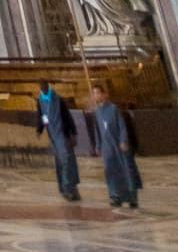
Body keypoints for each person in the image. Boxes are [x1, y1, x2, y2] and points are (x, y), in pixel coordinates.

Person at [88, 83, 141, 211]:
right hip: (107, 147)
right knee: (110, 172)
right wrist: (98, 145)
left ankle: (132, 198)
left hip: (118, 145)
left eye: (97, 93)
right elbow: (97, 130)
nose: (95, 96)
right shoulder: (97, 112)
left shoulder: (113, 109)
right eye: (93, 93)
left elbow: (122, 126)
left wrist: (123, 140)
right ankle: (115, 196)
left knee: (126, 171)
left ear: (104, 94)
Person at [35, 79, 81, 201]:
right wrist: (40, 129)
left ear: (47, 86)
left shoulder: (58, 100)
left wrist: (73, 133)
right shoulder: (40, 101)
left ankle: (70, 188)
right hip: (53, 136)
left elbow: (67, 116)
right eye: (41, 87)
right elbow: (42, 116)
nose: (43, 89)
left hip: (63, 134)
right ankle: (66, 188)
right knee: (61, 162)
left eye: (44, 86)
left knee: (67, 160)